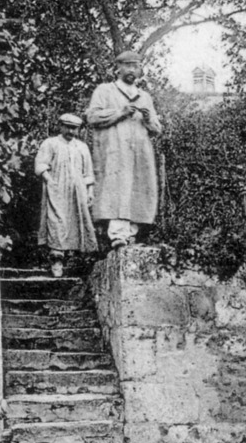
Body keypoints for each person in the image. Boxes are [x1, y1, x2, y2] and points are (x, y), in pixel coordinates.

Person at [85, 49, 162, 249]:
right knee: (116, 189)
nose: (131, 71)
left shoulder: (144, 96)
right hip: (114, 151)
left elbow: (157, 128)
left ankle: (131, 234)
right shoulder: (105, 90)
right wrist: (120, 112)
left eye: (135, 67)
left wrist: (147, 119)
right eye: (127, 66)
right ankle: (116, 235)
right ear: (117, 68)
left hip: (139, 151)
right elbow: (92, 117)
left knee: (137, 189)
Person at [34, 113, 97, 277]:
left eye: (74, 128)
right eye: (68, 127)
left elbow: (88, 172)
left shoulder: (82, 147)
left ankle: (80, 262)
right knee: (57, 221)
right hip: (57, 188)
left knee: (78, 221)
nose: (71, 131)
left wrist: (89, 191)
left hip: (78, 190)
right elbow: (41, 165)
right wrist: (49, 181)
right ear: (60, 126)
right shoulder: (51, 143)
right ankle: (57, 260)